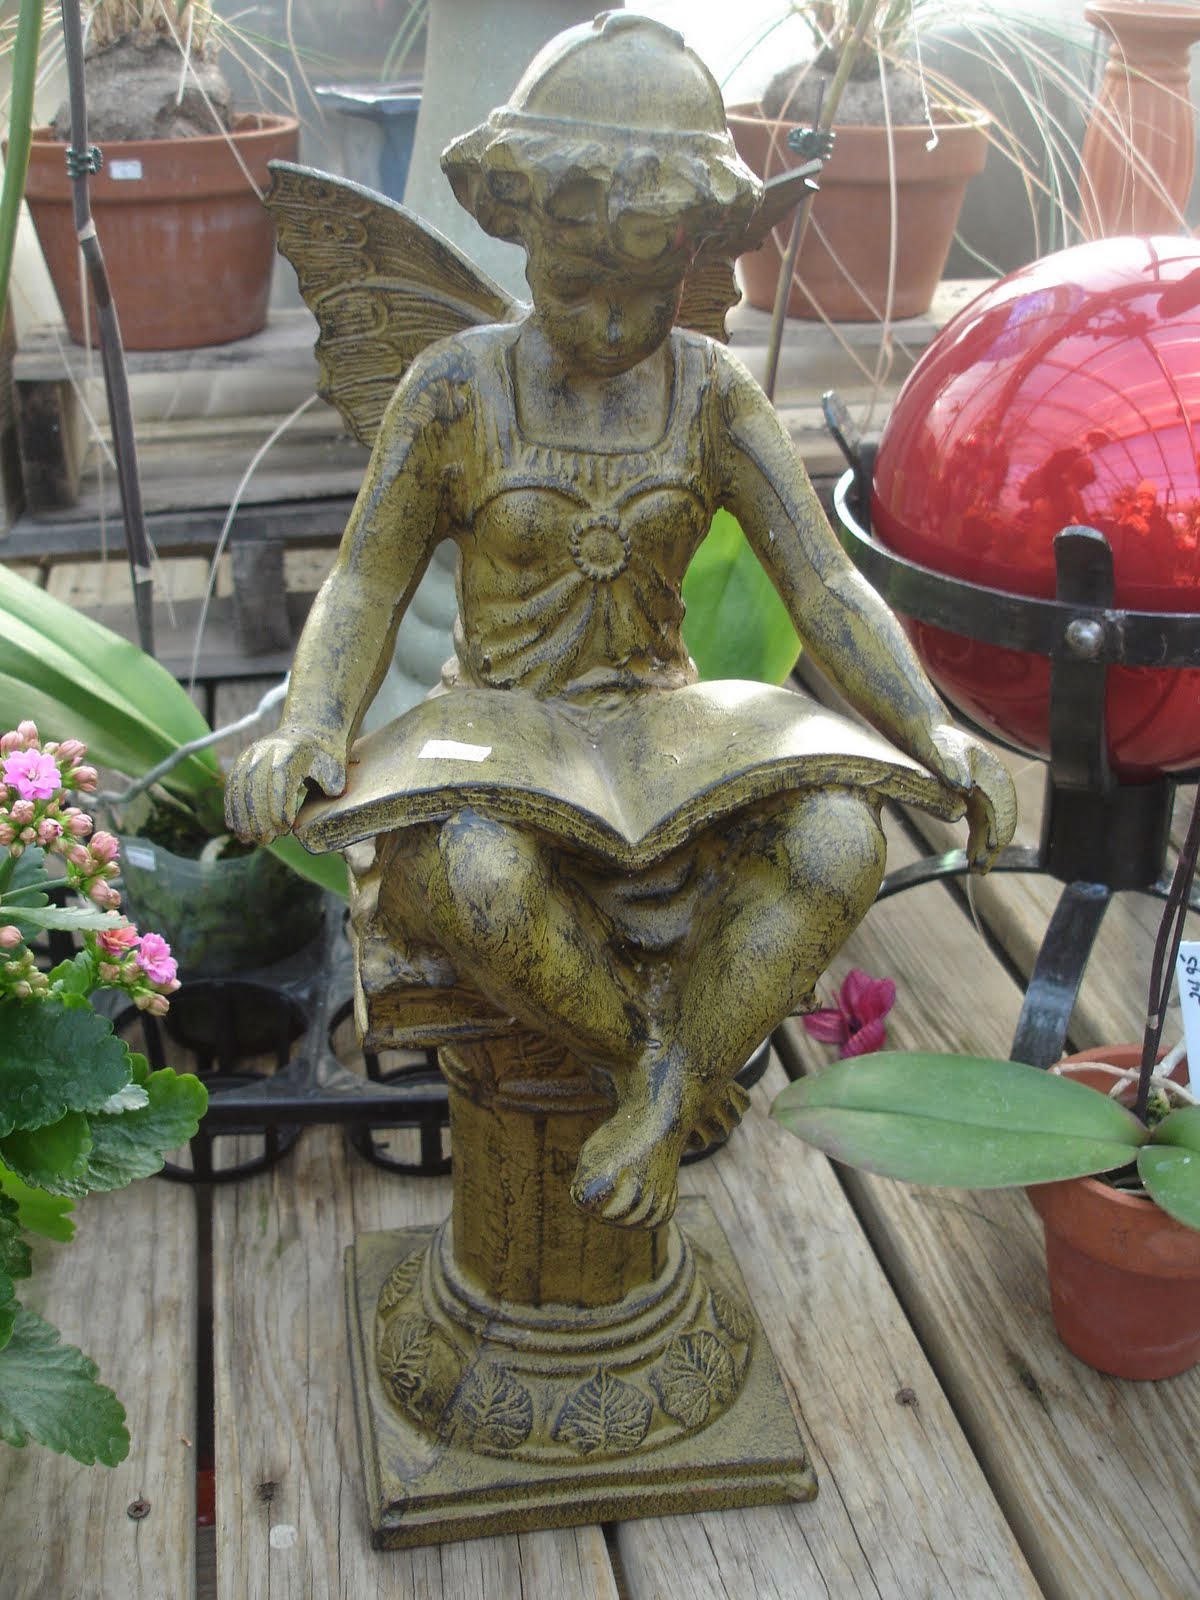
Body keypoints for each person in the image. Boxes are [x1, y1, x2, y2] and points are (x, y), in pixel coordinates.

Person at [226, 12, 1014, 1231]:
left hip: (665, 750)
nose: (604, 323)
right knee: (481, 873)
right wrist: (312, 724)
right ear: (523, 239)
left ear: (689, 258)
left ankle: (662, 1082)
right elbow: (366, 582)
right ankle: (659, 1070)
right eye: (573, 286)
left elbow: (823, 584)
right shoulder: (456, 389)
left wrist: (934, 728)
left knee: (839, 837)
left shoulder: (712, 393)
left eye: (641, 295)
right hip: (501, 751)